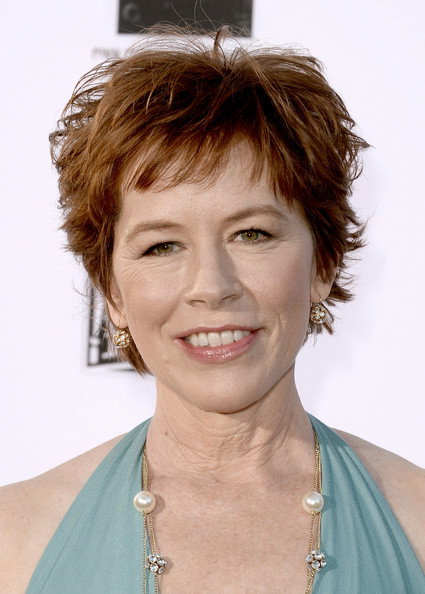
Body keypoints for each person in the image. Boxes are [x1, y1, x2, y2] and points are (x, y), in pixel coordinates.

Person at [1, 26, 424, 594]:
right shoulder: (16, 541)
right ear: (113, 292)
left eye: (252, 234)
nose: (211, 287)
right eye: (162, 246)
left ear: (322, 263)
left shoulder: (416, 523)